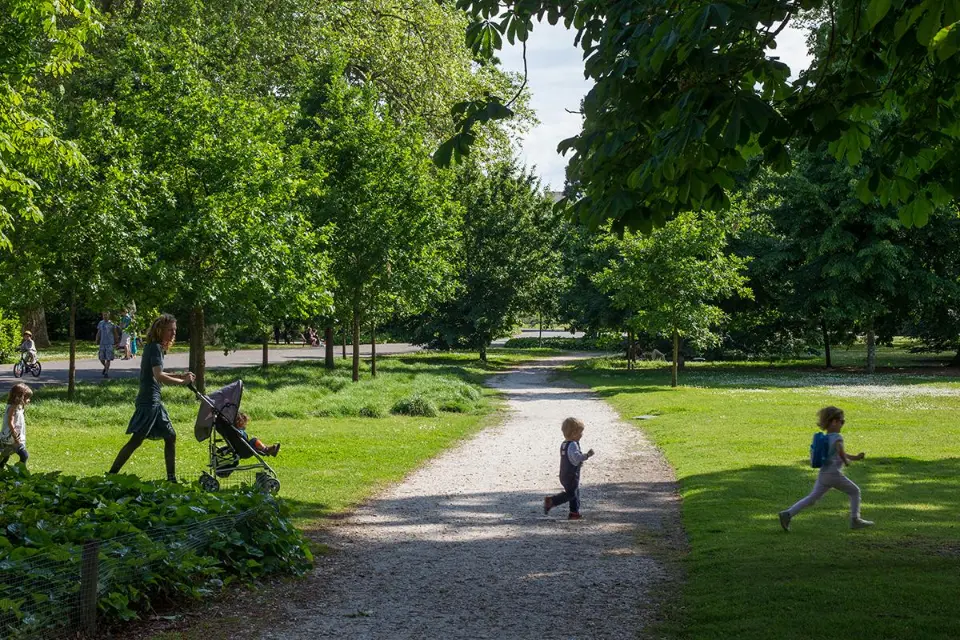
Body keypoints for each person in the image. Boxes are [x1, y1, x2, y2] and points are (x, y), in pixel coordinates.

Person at [108, 314, 195, 482]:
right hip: (149, 401)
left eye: (174, 331)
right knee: (136, 440)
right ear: (160, 330)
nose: (173, 334)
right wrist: (182, 381)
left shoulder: (154, 347)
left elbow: (157, 373)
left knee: (170, 437)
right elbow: (159, 376)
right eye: (170, 330)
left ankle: (171, 479)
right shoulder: (154, 348)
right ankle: (111, 475)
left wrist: (179, 374)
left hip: (154, 399)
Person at [779, 406, 873, 531]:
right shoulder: (837, 437)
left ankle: (788, 514)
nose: (842, 424)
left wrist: (855, 457)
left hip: (824, 474)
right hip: (833, 474)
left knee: (812, 498)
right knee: (855, 491)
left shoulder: (825, 438)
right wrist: (846, 461)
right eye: (842, 421)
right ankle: (855, 519)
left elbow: (838, 453)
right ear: (834, 422)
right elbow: (840, 451)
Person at [543, 417, 596, 520]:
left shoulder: (564, 444)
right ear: (574, 433)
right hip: (571, 475)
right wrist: (587, 455)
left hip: (564, 474)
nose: (582, 435)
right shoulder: (573, 445)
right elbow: (576, 458)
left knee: (575, 492)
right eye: (580, 432)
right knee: (571, 493)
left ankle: (574, 512)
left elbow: (569, 458)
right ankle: (552, 501)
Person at [1, 383, 32, 468]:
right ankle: (19, 474)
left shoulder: (18, 406)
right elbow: (10, 422)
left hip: (12, 437)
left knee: (5, 457)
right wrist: (16, 437)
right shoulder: (12, 407)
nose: (29, 400)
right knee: (24, 455)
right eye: (27, 398)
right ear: (20, 397)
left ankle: (2, 471)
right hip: (12, 437)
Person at [95, 311, 120, 377]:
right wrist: (97, 339)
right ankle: (105, 367)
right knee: (101, 358)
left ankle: (106, 372)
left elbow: (115, 333)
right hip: (102, 343)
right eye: (104, 315)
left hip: (110, 343)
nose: (105, 316)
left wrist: (117, 341)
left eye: (106, 315)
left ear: (109, 315)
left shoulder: (112, 323)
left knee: (108, 359)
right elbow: (99, 332)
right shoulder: (100, 323)